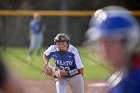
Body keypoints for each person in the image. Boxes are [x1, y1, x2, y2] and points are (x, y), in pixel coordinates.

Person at [86, 6, 140, 93]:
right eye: (100, 42)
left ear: (128, 43)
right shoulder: (122, 74)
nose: (104, 49)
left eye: (110, 42)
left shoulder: (136, 80)